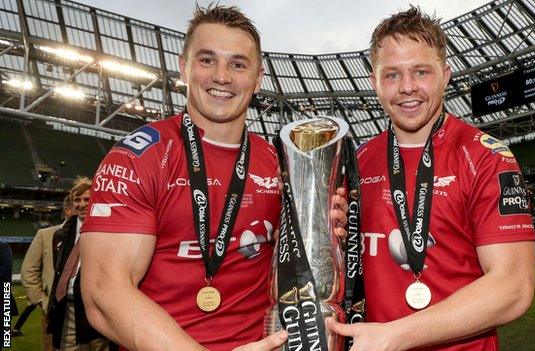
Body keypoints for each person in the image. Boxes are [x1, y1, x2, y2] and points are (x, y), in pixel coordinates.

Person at [79, 4, 346, 351]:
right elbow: (104, 292)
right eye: (207, 60)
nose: (222, 76)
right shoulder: (140, 156)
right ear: (183, 67)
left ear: (257, 78)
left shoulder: (280, 162)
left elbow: (294, 267)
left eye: (238, 64)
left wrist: (321, 234)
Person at [326, 6, 535, 350]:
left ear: (445, 74)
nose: (407, 87)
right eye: (392, 75)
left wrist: (396, 335)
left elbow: (513, 287)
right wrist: (341, 243)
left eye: (421, 71)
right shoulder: (355, 163)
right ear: (374, 82)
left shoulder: (486, 157)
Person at [47, 178, 108, 350]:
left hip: (98, 309)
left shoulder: (109, 232)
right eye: (77, 200)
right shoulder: (61, 234)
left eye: (87, 199)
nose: (81, 204)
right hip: (67, 308)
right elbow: (58, 270)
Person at [19, 195, 73, 349]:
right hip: (53, 311)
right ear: (68, 211)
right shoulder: (46, 234)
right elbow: (29, 270)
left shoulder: (90, 236)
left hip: (83, 313)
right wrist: (41, 300)